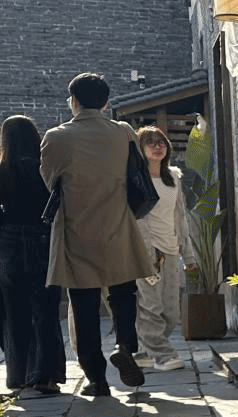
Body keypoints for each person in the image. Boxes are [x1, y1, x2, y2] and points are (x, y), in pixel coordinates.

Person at [40, 72, 154, 397]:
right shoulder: (123, 132)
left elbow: (50, 180)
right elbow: (136, 173)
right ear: (105, 103)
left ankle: (97, 379)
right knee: (123, 294)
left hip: (77, 229)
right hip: (118, 223)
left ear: (74, 101)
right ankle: (125, 345)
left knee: (84, 304)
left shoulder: (56, 137)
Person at [0, 115, 66, 395]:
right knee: (46, 309)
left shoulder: (3, 170)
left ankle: (18, 375)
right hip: (43, 238)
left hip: (8, 243)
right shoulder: (44, 169)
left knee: (14, 311)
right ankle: (46, 375)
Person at [132, 126, 198, 372]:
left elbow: (180, 217)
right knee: (151, 307)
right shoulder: (136, 179)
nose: (157, 146)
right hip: (147, 251)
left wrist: (187, 254)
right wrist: (145, 252)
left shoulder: (173, 178)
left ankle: (145, 350)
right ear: (141, 149)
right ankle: (163, 354)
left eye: (161, 142)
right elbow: (137, 219)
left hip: (171, 251)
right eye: (150, 142)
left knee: (171, 312)